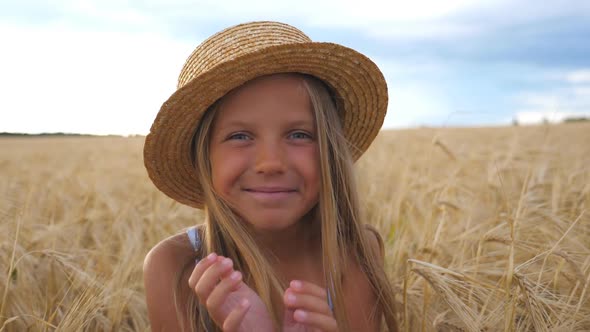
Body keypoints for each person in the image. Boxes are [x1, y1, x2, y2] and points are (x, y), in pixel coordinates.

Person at [142, 21, 399, 332]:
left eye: (299, 134)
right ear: (204, 158)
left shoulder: (355, 250)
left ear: (330, 150)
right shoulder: (174, 267)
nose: (271, 163)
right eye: (239, 136)